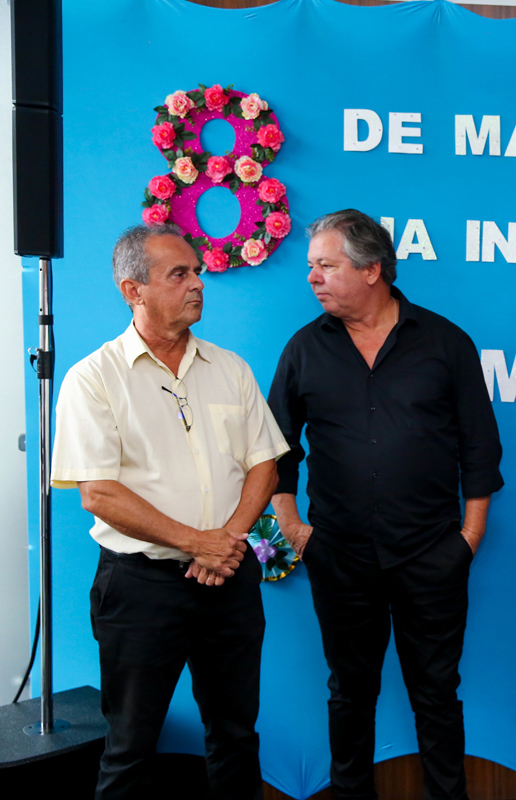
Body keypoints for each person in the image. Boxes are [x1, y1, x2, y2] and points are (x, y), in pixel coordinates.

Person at [267, 210, 504, 800]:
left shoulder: (445, 343)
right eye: (312, 266)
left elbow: (480, 447)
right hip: (339, 556)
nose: (312, 277)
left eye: (326, 265)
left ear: (372, 269)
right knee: (349, 693)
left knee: (437, 694)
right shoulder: (304, 349)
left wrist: (469, 537)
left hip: (431, 555)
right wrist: (293, 526)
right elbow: (275, 448)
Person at [50, 224, 289, 799]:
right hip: (141, 587)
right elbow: (99, 493)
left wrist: (224, 543)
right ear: (133, 290)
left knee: (236, 737)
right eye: (179, 274)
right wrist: (195, 542)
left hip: (229, 577)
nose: (197, 283)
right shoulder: (93, 378)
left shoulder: (230, 368)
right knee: (130, 748)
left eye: (197, 271)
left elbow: (265, 466)